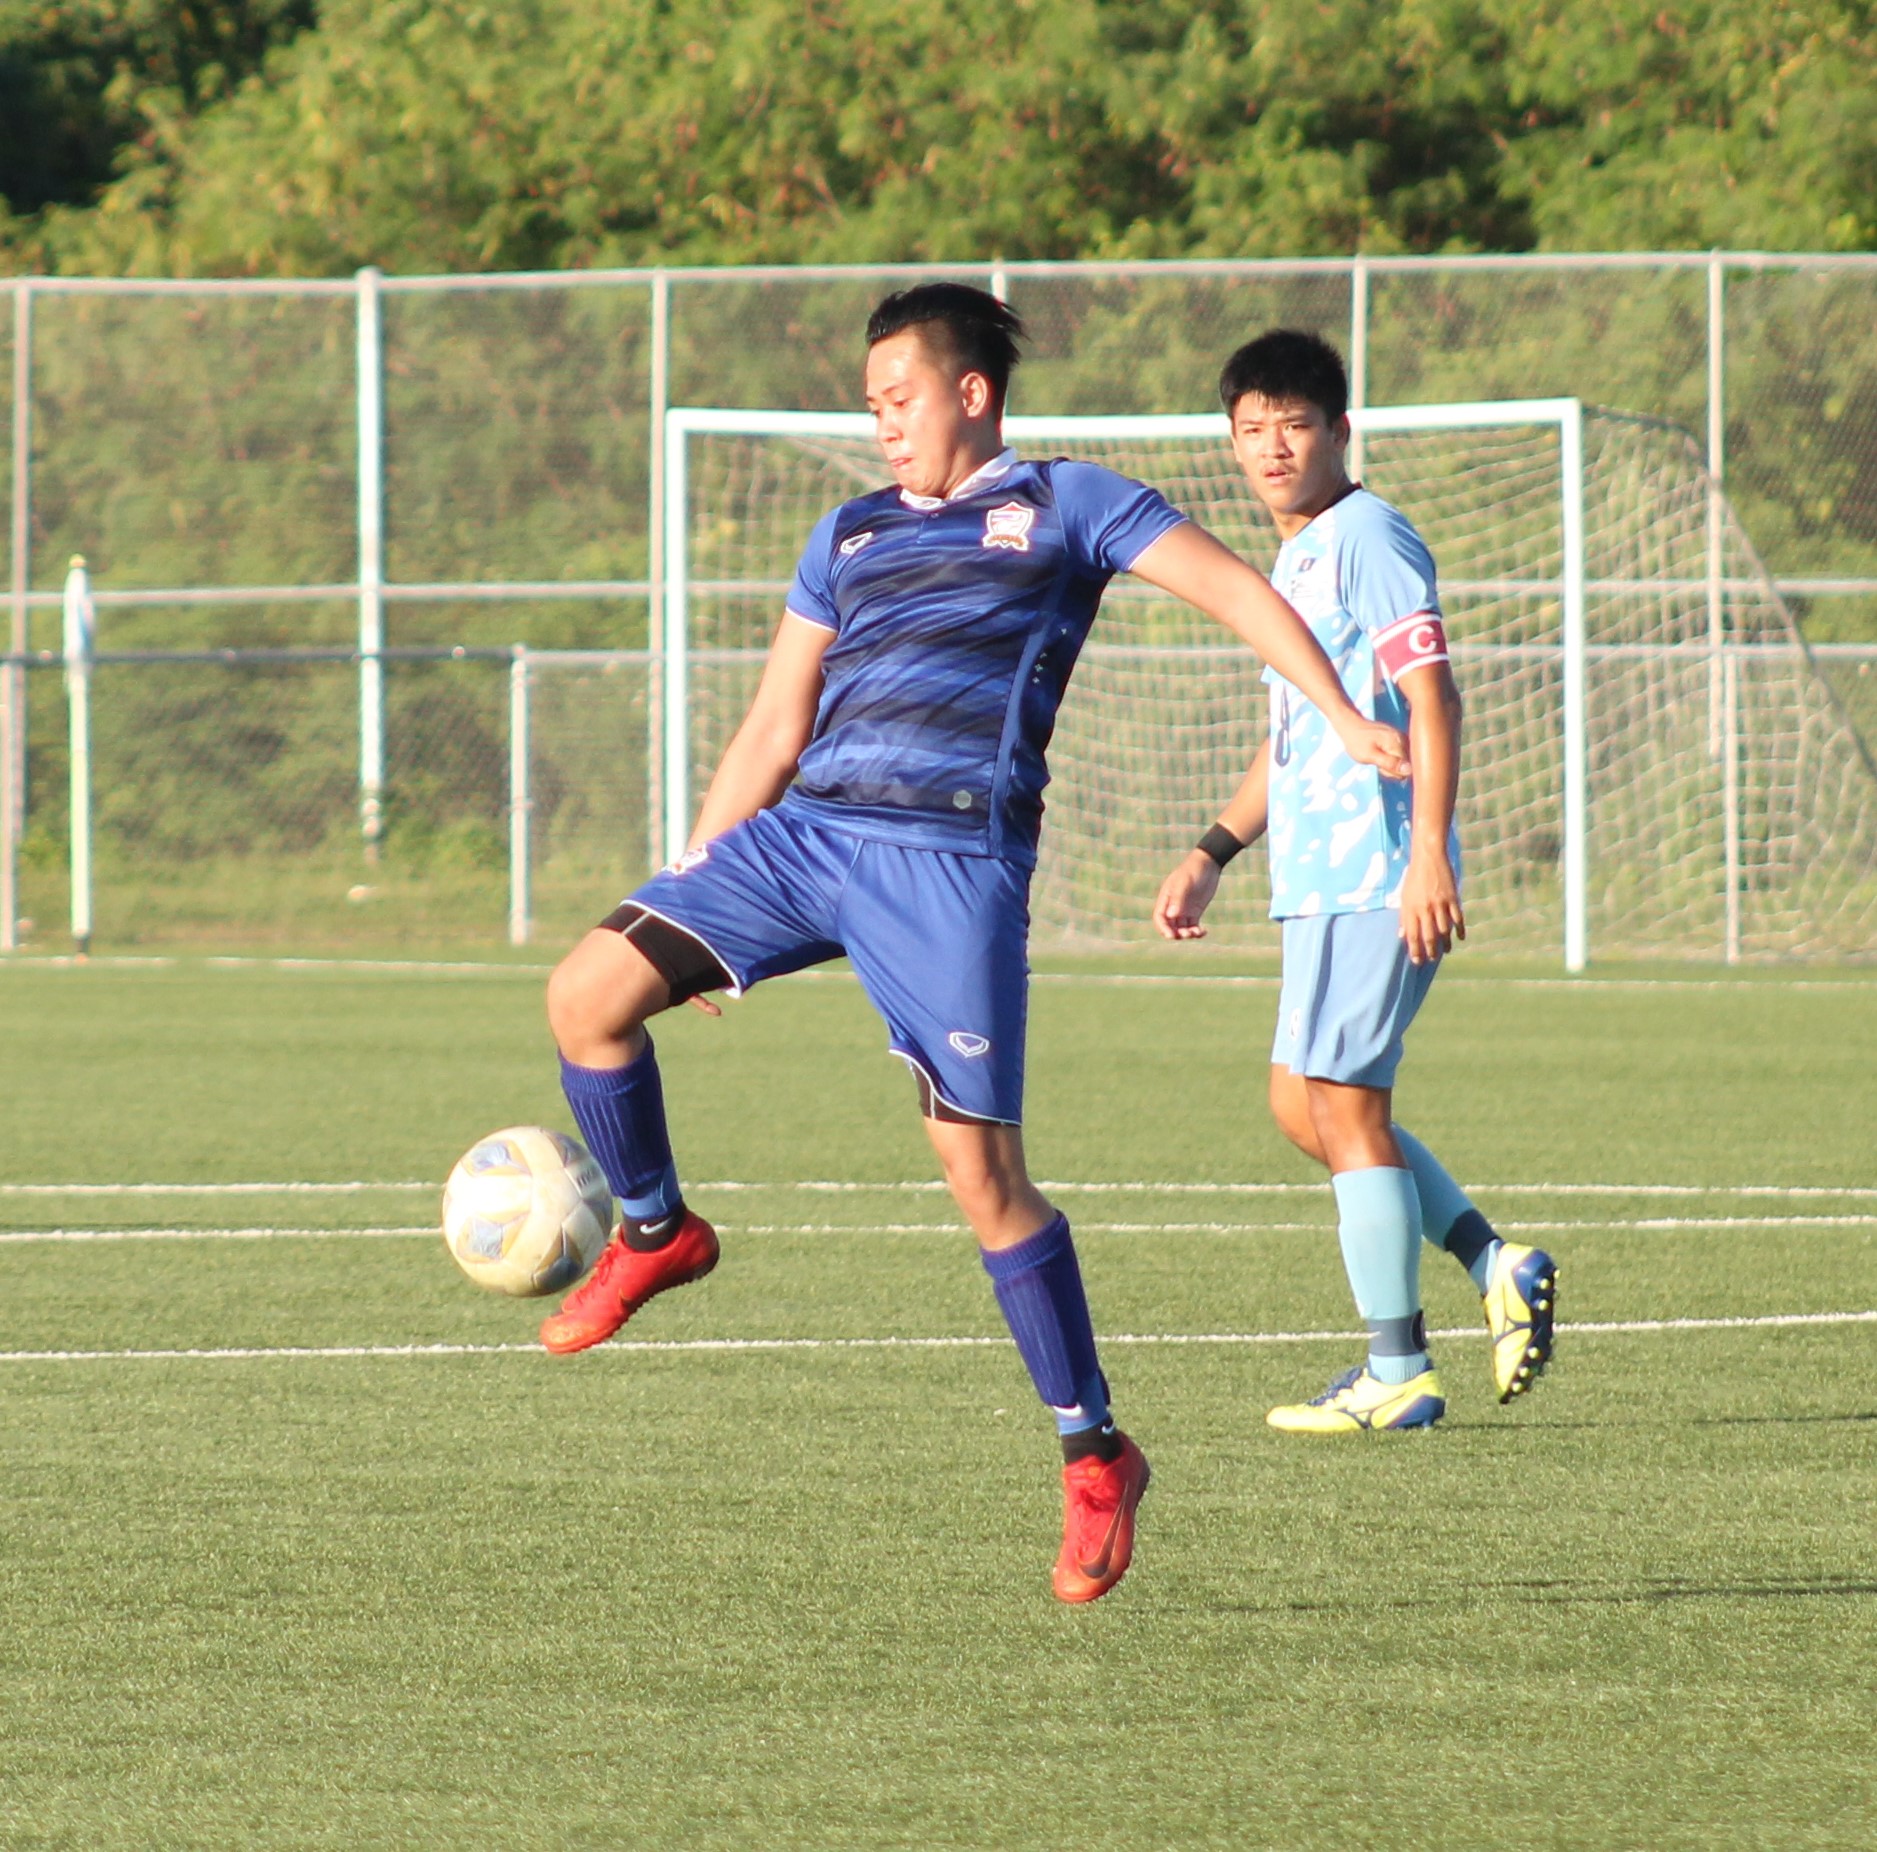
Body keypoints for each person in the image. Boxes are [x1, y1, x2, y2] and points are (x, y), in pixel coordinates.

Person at [541, 285, 1408, 1601]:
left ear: (970, 393)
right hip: (809, 837)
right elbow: (777, 723)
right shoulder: (847, 532)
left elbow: (1233, 592)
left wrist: (1339, 715)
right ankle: (654, 1230)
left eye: (898, 396)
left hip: (948, 865)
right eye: (870, 402)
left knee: (979, 1174)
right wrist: (699, 868)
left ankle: (1093, 1452)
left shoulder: (1069, 503)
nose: (881, 422)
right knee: (586, 995)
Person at [1152, 328, 1557, 1433]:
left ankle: (1396, 1367)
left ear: (1339, 430)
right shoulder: (1296, 556)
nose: (1271, 446)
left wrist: (1425, 850)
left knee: (1343, 1103)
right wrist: (1212, 849)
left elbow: (1434, 699)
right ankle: (1491, 1261)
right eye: (1249, 429)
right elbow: (1291, 738)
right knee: (1305, 1105)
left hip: (1377, 872)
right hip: (1320, 875)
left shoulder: (1365, 536)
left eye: (1293, 424)